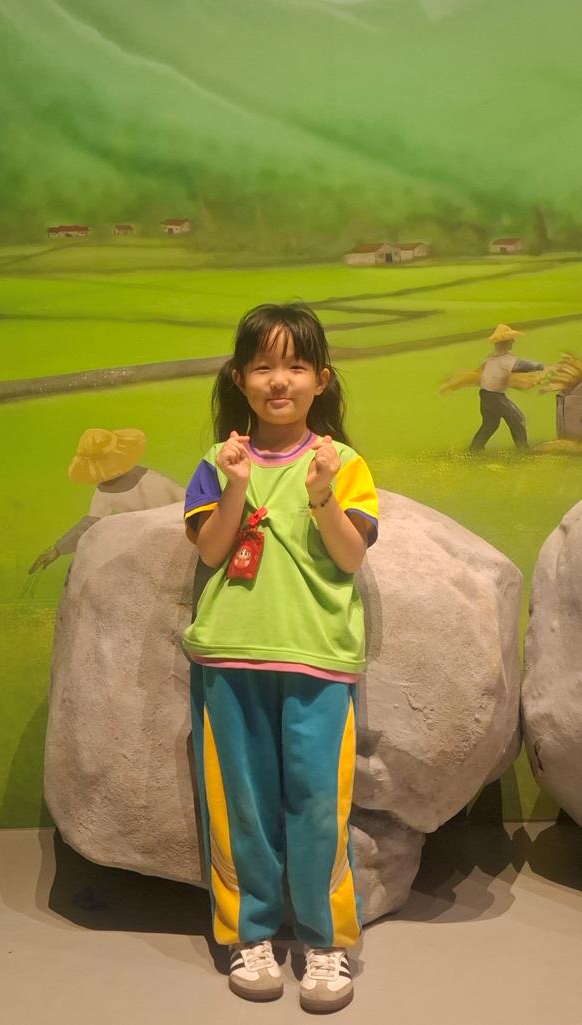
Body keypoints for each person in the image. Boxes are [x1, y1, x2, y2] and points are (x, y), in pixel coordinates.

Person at [182, 302, 378, 1013]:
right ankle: (251, 935)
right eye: (262, 365)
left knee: (319, 806)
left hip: (319, 662)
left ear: (321, 379)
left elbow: (350, 556)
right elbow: (211, 550)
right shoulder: (217, 462)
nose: (279, 380)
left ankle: (325, 943)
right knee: (242, 807)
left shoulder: (343, 464)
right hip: (230, 662)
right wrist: (236, 484)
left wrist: (321, 494)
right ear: (239, 377)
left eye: (295, 365)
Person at [28, 428, 185, 573]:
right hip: (151, 542)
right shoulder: (104, 492)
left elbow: (182, 504)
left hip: (178, 535)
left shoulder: (151, 480)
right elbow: (91, 522)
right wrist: (58, 549)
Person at [468, 324, 544, 452]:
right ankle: (523, 449)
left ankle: (474, 449)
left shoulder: (490, 359)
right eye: (510, 339)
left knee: (490, 424)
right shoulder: (505, 360)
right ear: (505, 342)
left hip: (485, 395)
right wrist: (540, 366)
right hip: (495, 396)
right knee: (517, 418)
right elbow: (523, 365)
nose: (513, 341)